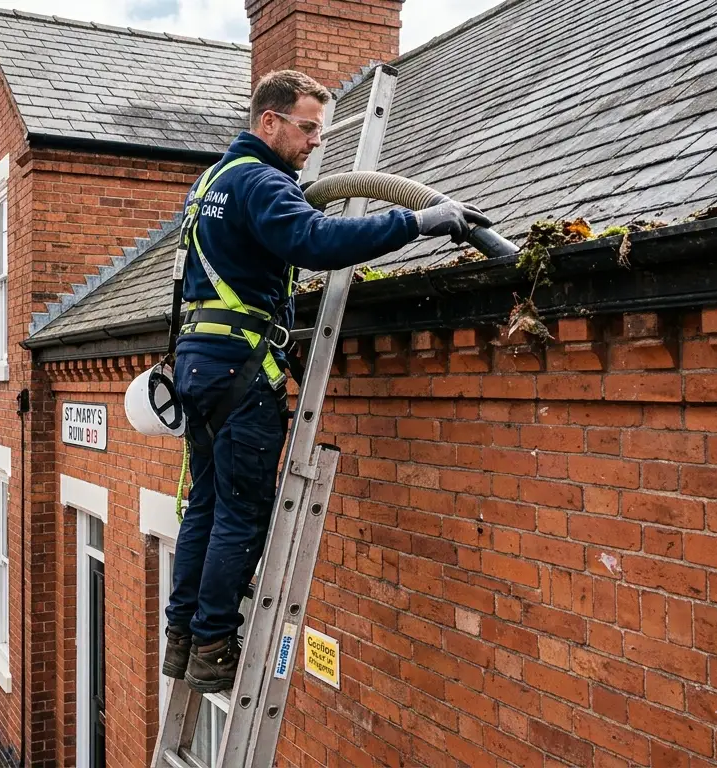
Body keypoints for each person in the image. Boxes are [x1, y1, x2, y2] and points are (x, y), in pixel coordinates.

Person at [163, 69, 491, 693]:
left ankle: (184, 638)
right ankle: (212, 645)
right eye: (308, 128)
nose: (317, 142)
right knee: (241, 513)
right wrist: (421, 224)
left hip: (199, 365)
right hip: (240, 368)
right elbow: (312, 238)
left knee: (204, 505)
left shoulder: (212, 182)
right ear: (269, 123)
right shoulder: (261, 182)